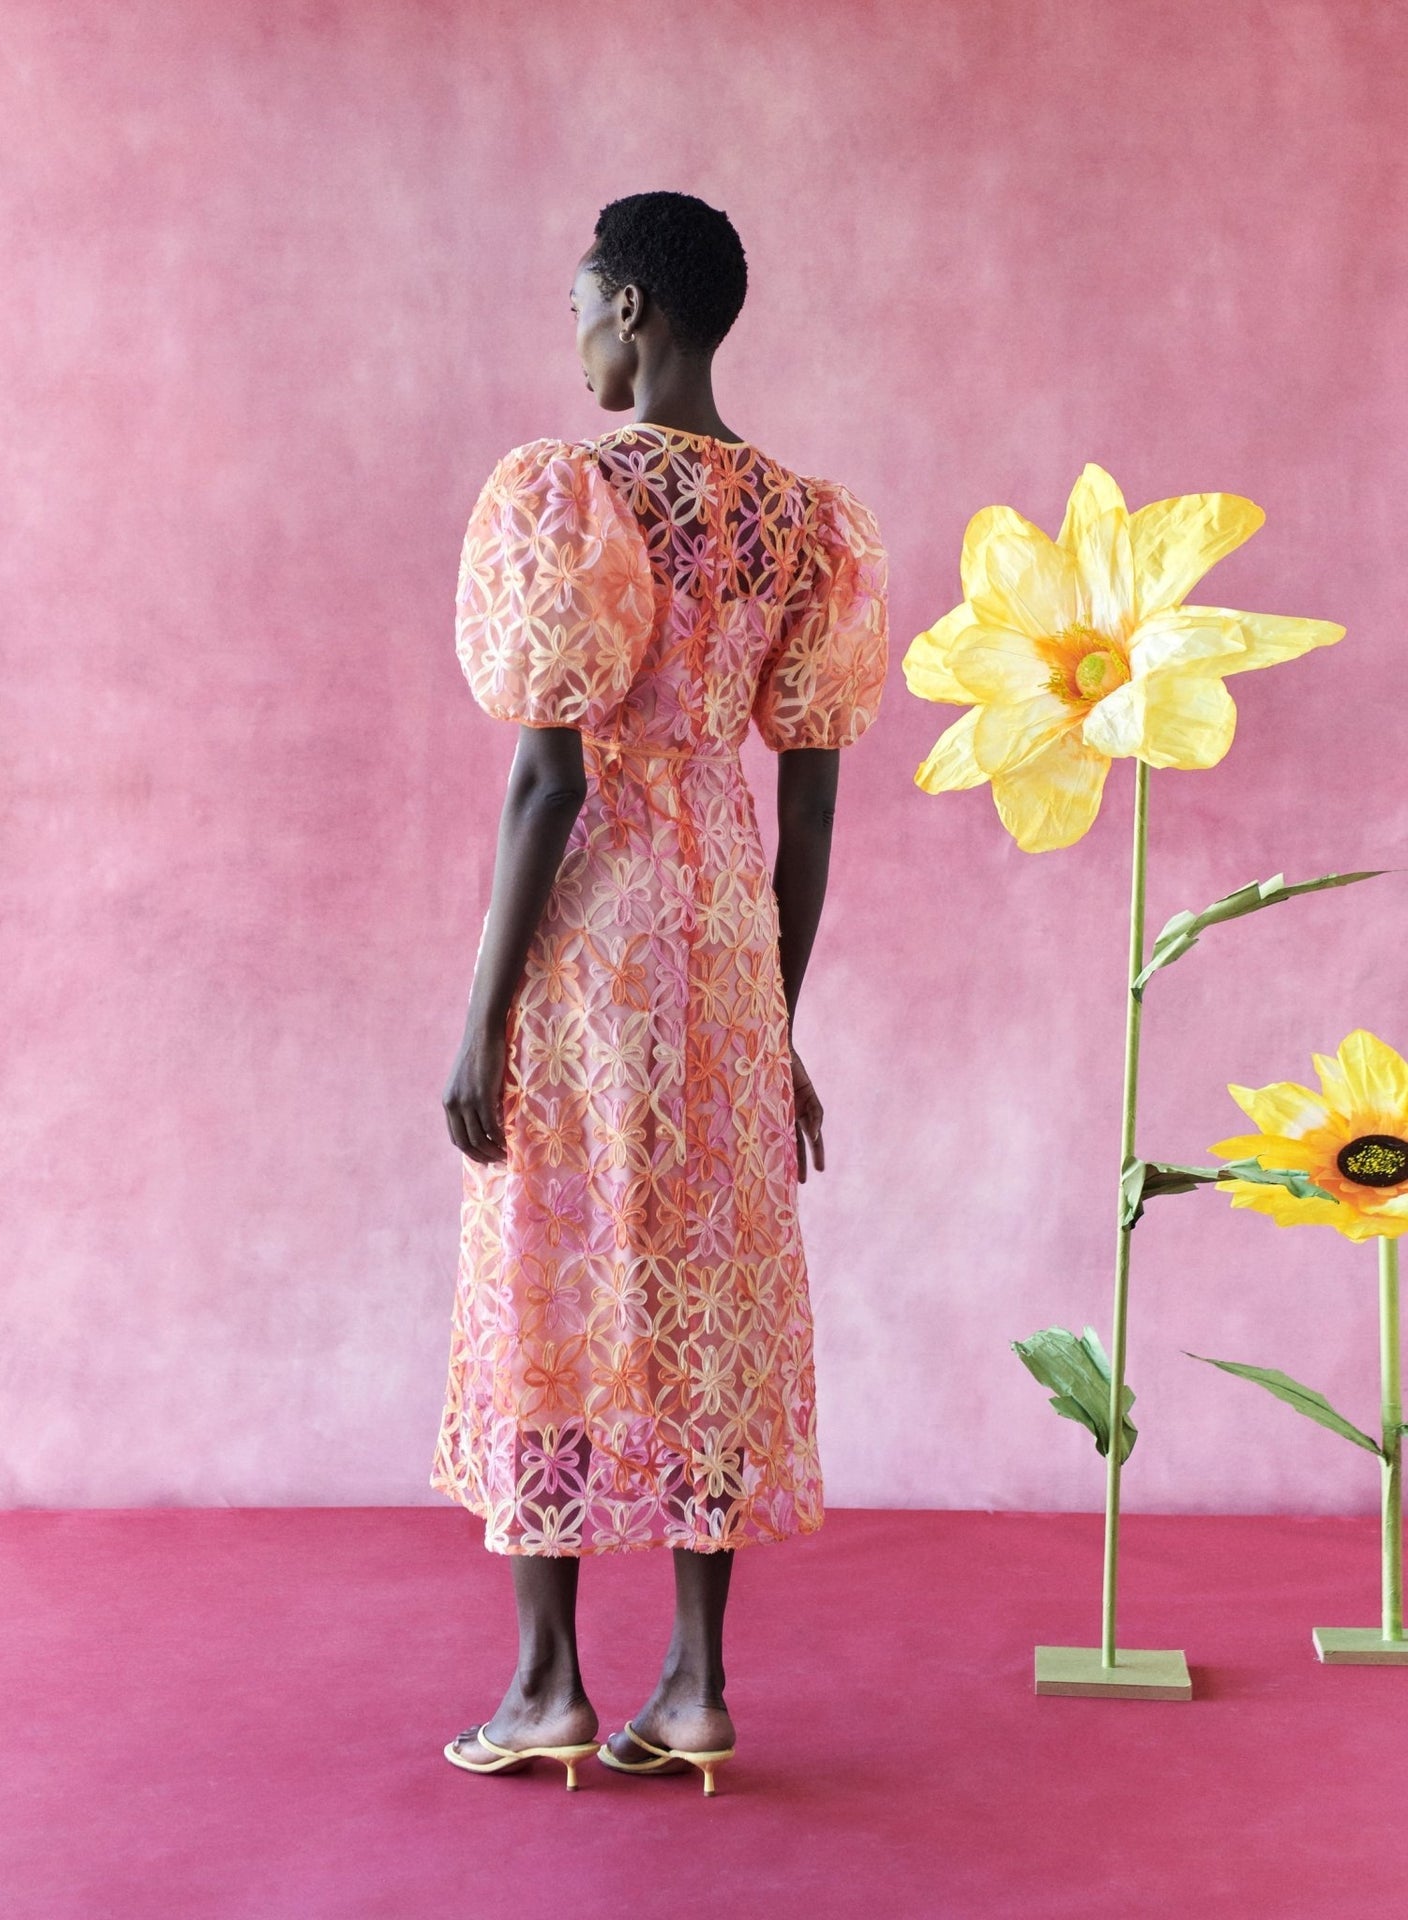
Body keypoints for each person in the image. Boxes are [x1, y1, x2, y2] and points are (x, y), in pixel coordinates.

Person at [434, 191, 889, 1795]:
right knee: (710, 1279)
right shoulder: (809, 526)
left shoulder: (573, 497)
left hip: (595, 937)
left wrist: (482, 1017)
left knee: (553, 1268)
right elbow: (810, 816)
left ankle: (546, 1683)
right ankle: (695, 1688)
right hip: (721, 938)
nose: (576, 343)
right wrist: (773, 1025)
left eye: (580, 310)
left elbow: (547, 785)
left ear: (630, 307)